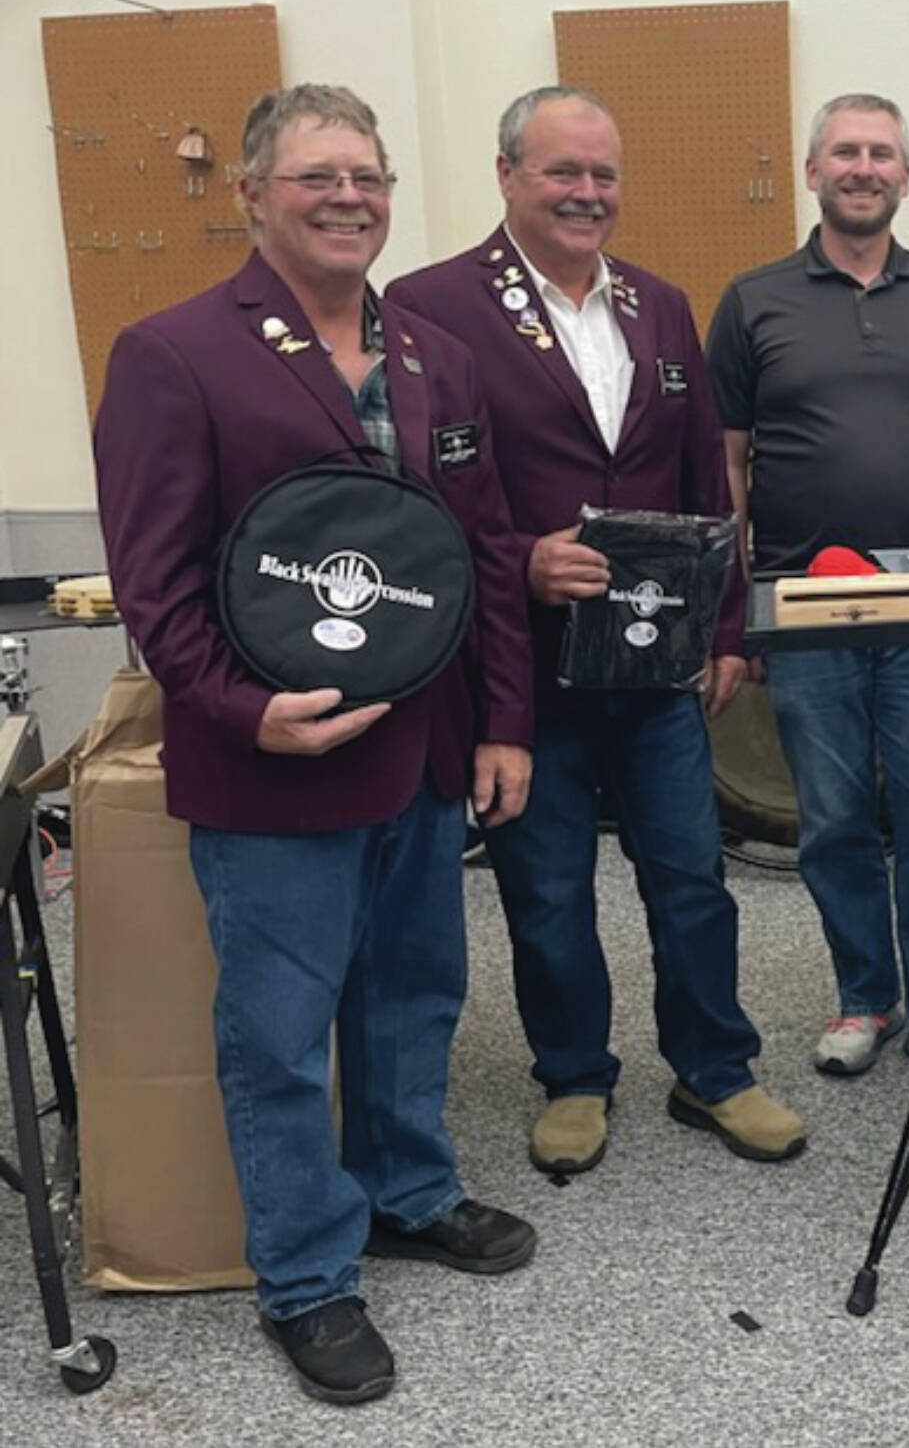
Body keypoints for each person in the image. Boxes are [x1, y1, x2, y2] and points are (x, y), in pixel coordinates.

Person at [93, 84, 537, 1406]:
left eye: (370, 176)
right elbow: (154, 582)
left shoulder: (437, 354)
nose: (351, 197)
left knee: (414, 998)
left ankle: (407, 1191)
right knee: (280, 1031)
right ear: (253, 195)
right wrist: (245, 709)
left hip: (419, 750)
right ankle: (307, 1273)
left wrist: (505, 718)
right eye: (318, 177)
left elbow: (487, 555)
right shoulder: (175, 353)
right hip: (273, 764)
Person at [388, 86, 805, 1172]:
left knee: (691, 877)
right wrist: (523, 556)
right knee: (546, 889)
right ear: (506, 175)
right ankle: (573, 1072)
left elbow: (699, 474)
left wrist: (726, 625)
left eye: (602, 175)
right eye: (562, 171)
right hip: (520, 670)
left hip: (657, 658)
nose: (586, 193)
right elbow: (421, 494)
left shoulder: (659, 304)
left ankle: (714, 1065)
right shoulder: (429, 305)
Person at [707, 93, 909, 1074]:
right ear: (811, 171)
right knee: (831, 819)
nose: (863, 166)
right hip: (804, 601)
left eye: (882, 152)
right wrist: (735, 603)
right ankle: (863, 998)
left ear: (904, 176)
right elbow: (731, 461)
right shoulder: (753, 300)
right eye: (845, 151)